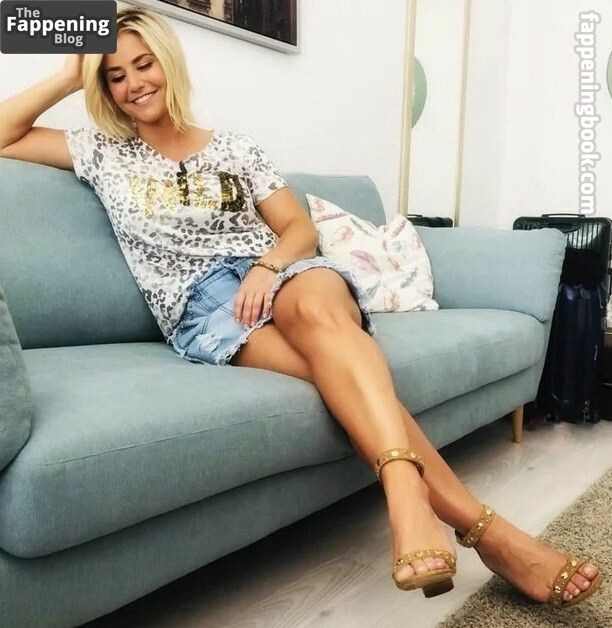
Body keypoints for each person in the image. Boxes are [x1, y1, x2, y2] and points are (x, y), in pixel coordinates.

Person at [0, 5, 602, 606]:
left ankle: (406, 496)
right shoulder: (102, 152)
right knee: (340, 375)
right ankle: (488, 534)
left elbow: (297, 229)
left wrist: (267, 268)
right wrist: (67, 76)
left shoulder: (234, 148)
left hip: (281, 273)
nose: (134, 83)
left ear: (168, 62)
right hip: (205, 309)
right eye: (115, 75)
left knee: (320, 311)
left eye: (143, 64)